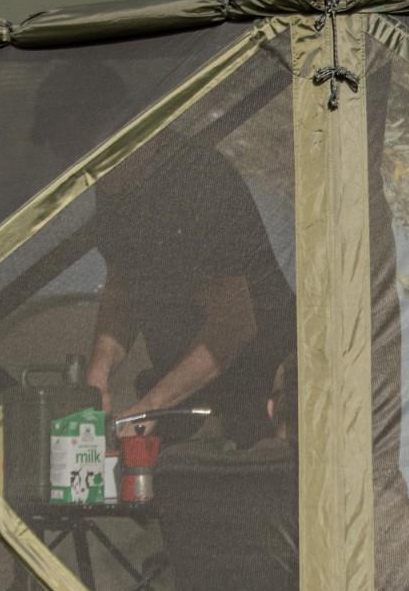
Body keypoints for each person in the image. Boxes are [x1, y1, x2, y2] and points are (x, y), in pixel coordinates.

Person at [80, 125, 296, 441]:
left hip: (260, 391)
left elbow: (234, 324)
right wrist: (97, 377)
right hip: (183, 392)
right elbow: (121, 288)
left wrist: (151, 406)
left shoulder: (198, 178)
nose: (92, 176)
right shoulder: (114, 184)